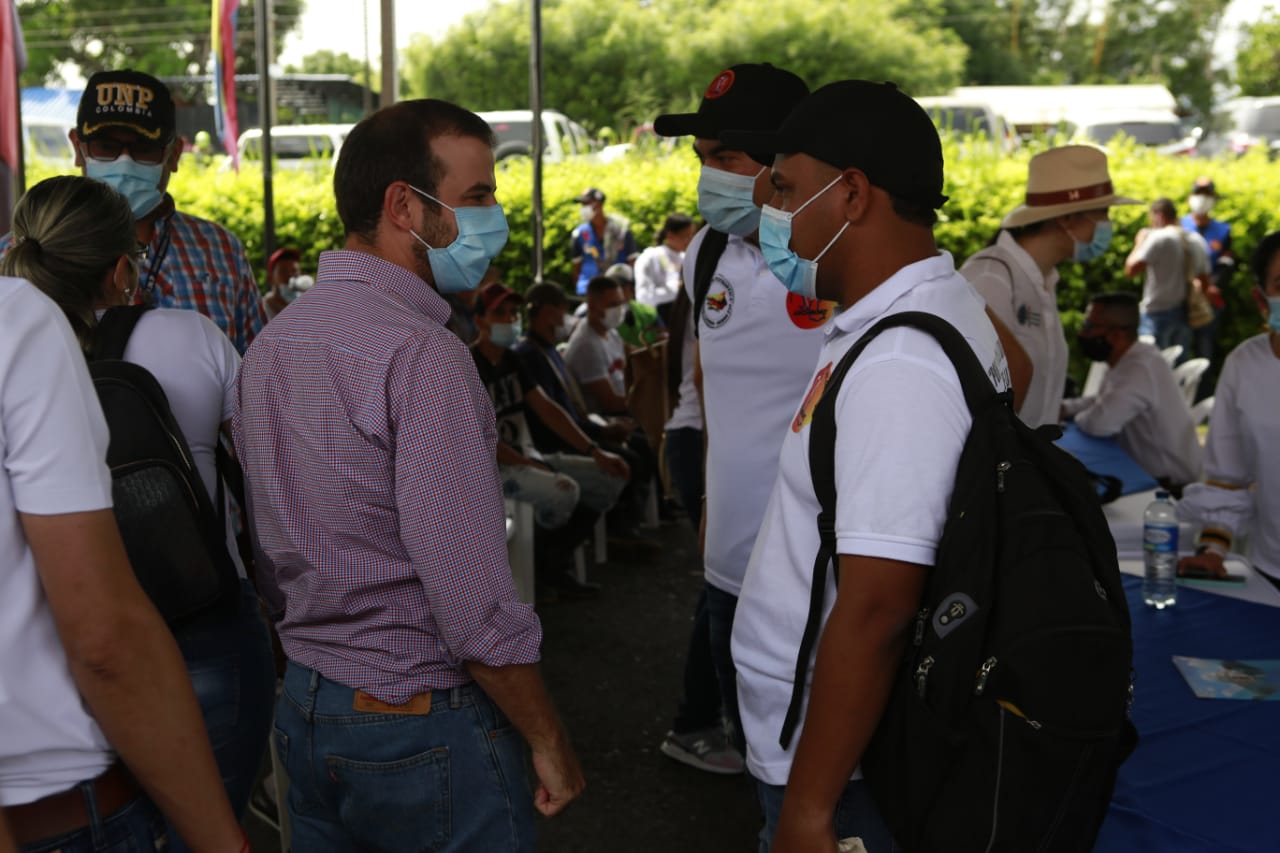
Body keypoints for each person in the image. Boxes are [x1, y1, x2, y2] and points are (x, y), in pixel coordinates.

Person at [233, 99, 583, 849]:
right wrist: (547, 733)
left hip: (306, 703)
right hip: (418, 717)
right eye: (478, 195)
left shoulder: (273, 343)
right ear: (403, 205)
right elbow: (474, 606)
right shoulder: (423, 355)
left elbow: (262, 547)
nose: (495, 216)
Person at [722, 79, 1010, 852]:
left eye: (785, 188)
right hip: (836, 743)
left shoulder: (901, 360)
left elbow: (879, 607)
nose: (770, 210)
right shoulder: (920, 313)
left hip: (838, 769)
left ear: (851, 193)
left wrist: (810, 810)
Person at [3, 175, 278, 829]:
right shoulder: (192, 336)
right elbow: (271, 475)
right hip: (199, 622)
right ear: (123, 271)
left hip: (48, 665)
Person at [651, 62, 821, 768]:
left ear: (787, 164)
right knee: (757, 754)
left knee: (816, 762)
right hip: (729, 561)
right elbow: (705, 376)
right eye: (701, 160)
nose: (708, 177)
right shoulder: (706, 254)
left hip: (818, 567)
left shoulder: (832, 260)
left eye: (726, 158)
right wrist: (710, 496)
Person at [62, 70, 266, 355]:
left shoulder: (221, 251)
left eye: (144, 148)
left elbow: (258, 370)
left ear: (174, 154)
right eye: (106, 146)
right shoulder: (20, 254)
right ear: (77, 147)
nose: (124, 162)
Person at [470, 281, 629, 598]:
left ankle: (550, 563)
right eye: (499, 312)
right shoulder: (467, 366)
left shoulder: (513, 360)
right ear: (479, 320)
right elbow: (478, 439)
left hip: (528, 458)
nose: (509, 319)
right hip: (491, 470)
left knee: (608, 477)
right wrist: (527, 463)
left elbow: (547, 409)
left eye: (514, 312)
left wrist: (594, 450)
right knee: (564, 491)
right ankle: (534, 569)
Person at [960, 144, 1139, 428]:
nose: (1108, 224)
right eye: (1103, 212)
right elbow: (980, 394)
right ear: (1066, 218)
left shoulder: (1043, 279)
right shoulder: (990, 278)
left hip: (1033, 462)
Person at [1177, 231, 1280, 588]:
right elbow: (1228, 476)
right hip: (1271, 570)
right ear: (1262, 298)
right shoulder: (1245, 364)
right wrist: (1212, 548)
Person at [1062, 292, 1203, 489]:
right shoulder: (1129, 359)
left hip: (1170, 486)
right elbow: (1102, 400)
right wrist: (1066, 408)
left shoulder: (1139, 369)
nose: (1083, 334)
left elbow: (1099, 423)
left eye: (1089, 327)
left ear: (1117, 334)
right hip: (1144, 468)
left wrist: (1075, 418)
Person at [1125, 197, 1211, 355]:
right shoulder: (1196, 240)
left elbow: (1131, 270)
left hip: (1156, 312)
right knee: (1179, 370)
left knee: (1152, 367)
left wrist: (1139, 242)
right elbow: (1205, 282)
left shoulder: (1159, 238)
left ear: (1158, 216)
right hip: (1185, 313)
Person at [1181, 177, 1233, 367]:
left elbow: (1226, 263)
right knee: (1181, 351)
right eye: (1199, 194)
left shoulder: (1223, 230)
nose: (1202, 199)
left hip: (1209, 298)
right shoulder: (1180, 226)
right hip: (1183, 298)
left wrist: (1212, 286)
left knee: (1205, 351)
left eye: (1207, 195)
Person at [565, 275, 631, 414]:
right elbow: (611, 404)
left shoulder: (611, 333)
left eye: (621, 303)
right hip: (610, 423)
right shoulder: (587, 346)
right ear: (592, 306)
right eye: (613, 305)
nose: (619, 309)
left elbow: (633, 357)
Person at [570, 187, 637, 295]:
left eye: (587, 203)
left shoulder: (621, 231)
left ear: (599, 204)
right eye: (582, 205)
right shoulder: (579, 233)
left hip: (617, 290)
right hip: (588, 290)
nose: (583, 208)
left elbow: (632, 262)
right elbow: (576, 268)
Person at [634, 212, 696, 309]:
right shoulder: (650, 256)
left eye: (692, 235)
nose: (691, 240)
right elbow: (643, 296)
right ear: (670, 235)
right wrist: (677, 289)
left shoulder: (688, 258)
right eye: (686, 236)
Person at [262, 247, 314, 319]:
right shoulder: (262, 310)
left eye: (294, 270)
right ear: (270, 278)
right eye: (283, 271)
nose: (290, 276)